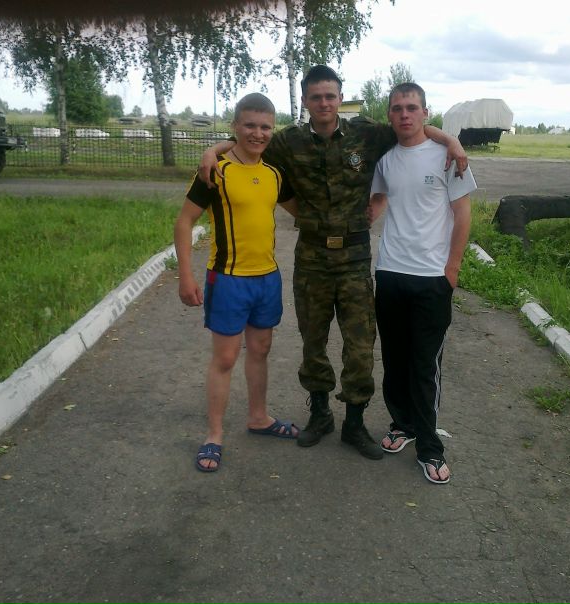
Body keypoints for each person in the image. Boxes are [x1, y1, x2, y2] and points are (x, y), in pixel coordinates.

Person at [199, 65, 468, 461]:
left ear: (340, 99)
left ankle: (354, 423)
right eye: (316, 97)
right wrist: (214, 150)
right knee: (313, 340)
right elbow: (249, 141)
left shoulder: (367, 134)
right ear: (306, 101)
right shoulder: (288, 141)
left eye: (330, 96)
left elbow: (410, 127)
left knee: (360, 345)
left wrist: (451, 141)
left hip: (355, 257)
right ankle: (320, 413)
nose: (324, 103)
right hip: (311, 257)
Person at [174, 92, 298, 473]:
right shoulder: (217, 170)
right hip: (228, 279)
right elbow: (184, 222)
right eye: (249, 125)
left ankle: (258, 417)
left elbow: (302, 211)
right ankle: (214, 435)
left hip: (267, 277)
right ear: (235, 126)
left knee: (260, 350)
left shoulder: (275, 173)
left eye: (265, 127)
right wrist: (185, 275)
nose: (257, 134)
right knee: (225, 358)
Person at [368, 82, 477, 484]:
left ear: (425, 113)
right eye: (397, 108)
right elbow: (380, 199)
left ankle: (430, 448)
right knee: (395, 359)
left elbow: (462, 214)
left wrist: (452, 269)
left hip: (432, 279)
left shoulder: (448, 157)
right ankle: (403, 425)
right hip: (391, 273)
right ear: (389, 115)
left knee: (424, 365)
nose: (404, 114)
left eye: (412, 107)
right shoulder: (385, 158)